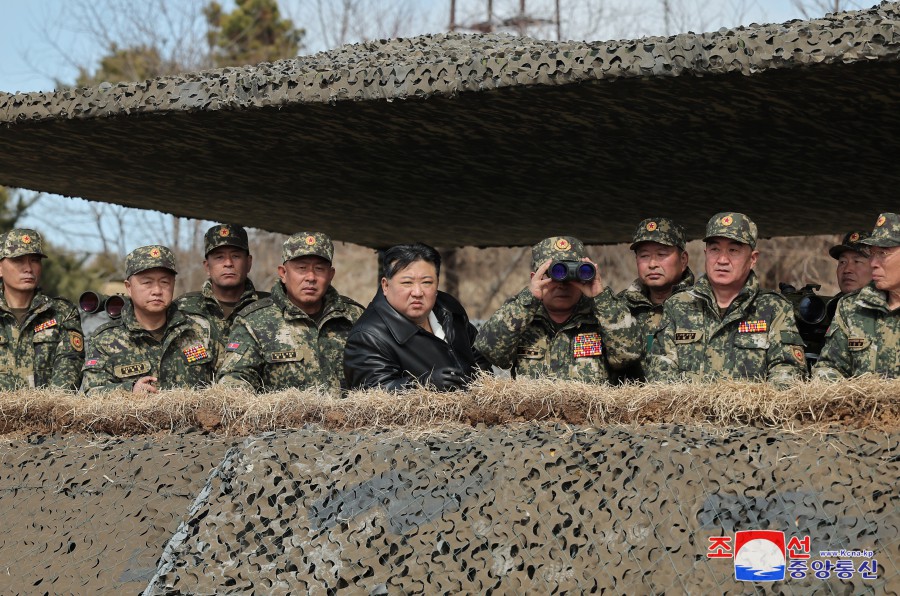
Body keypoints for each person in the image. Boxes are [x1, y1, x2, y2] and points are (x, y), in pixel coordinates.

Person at [646, 212, 806, 386]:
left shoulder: (774, 308)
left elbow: (788, 372)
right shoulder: (678, 305)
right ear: (706, 253)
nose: (722, 260)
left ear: (752, 259)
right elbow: (660, 375)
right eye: (715, 250)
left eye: (733, 250)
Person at [473, 236, 640, 383]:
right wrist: (528, 298)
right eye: (554, 274)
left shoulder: (602, 316)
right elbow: (489, 350)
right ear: (535, 277)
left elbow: (628, 354)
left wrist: (600, 297)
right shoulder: (521, 317)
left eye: (571, 275)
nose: (561, 284)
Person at [217, 232, 363, 393]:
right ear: (283, 273)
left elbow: (376, 371)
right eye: (302, 268)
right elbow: (234, 381)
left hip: (345, 417)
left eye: (319, 269)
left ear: (330, 275)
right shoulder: (254, 322)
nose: (311, 277)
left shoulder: (354, 316)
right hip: (284, 417)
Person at [344, 243, 490, 391]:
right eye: (407, 283)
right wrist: (423, 385)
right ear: (385, 286)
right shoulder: (367, 336)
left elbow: (478, 357)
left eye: (427, 282)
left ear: (437, 283)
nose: (417, 292)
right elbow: (374, 394)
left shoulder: (449, 309)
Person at [81, 245, 219, 394]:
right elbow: (92, 392)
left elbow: (226, 379)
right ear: (128, 287)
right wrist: (130, 391)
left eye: (165, 282)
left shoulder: (199, 330)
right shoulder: (106, 340)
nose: (157, 291)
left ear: (173, 284)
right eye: (147, 283)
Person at [814, 213, 900, 379]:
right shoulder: (851, 307)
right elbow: (829, 367)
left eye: (883, 253)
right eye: (873, 254)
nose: (874, 263)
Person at [0, 229, 84, 390]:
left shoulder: (62, 312)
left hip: (46, 413)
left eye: (35, 260)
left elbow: (69, 370)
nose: (28, 268)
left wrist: (43, 411)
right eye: (18, 260)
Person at [175, 223, 268, 364]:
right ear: (207, 266)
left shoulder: (270, 307)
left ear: (249, 263)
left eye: (236, 256)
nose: (228, 263)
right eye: (219, 257)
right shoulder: (182, 309)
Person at [617, 218, 694, 382]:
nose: (652, 264)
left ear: (683, 260)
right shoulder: (621, 307)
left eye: (662, 254)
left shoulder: (701, 303)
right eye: (644, 256)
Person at [829, 230, 873, 295]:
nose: (847, 270)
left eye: (857, 261)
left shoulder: (888, 304)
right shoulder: (832, 304)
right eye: (842, 262)